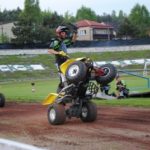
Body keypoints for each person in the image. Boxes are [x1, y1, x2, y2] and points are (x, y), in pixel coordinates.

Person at [48, 25, 77, 91]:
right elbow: (50, 50)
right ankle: (61, 93)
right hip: (60, 62)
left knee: (70, 76)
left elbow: (73, 41)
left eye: (65, 33)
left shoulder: (63, 42)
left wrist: (75, 32)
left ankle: (66, 92)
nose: (65, 34)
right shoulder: (56, 41)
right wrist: (59, 53)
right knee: (63, 78)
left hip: (66, 61)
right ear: (59, 33)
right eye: (63, 33)